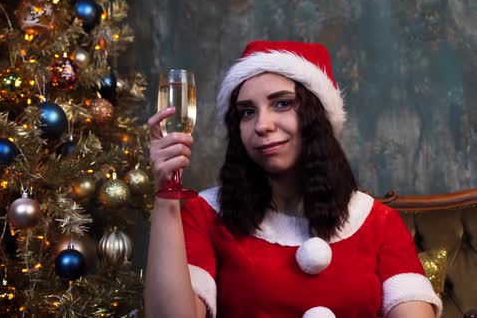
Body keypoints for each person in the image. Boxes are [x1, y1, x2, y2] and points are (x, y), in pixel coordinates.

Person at [144, 41, 442, 318]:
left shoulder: (377, 221)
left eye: (282, 103)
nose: (262, 124)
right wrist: (166, 197)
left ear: (318, 116)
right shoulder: (205, 214)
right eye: (247, 112)